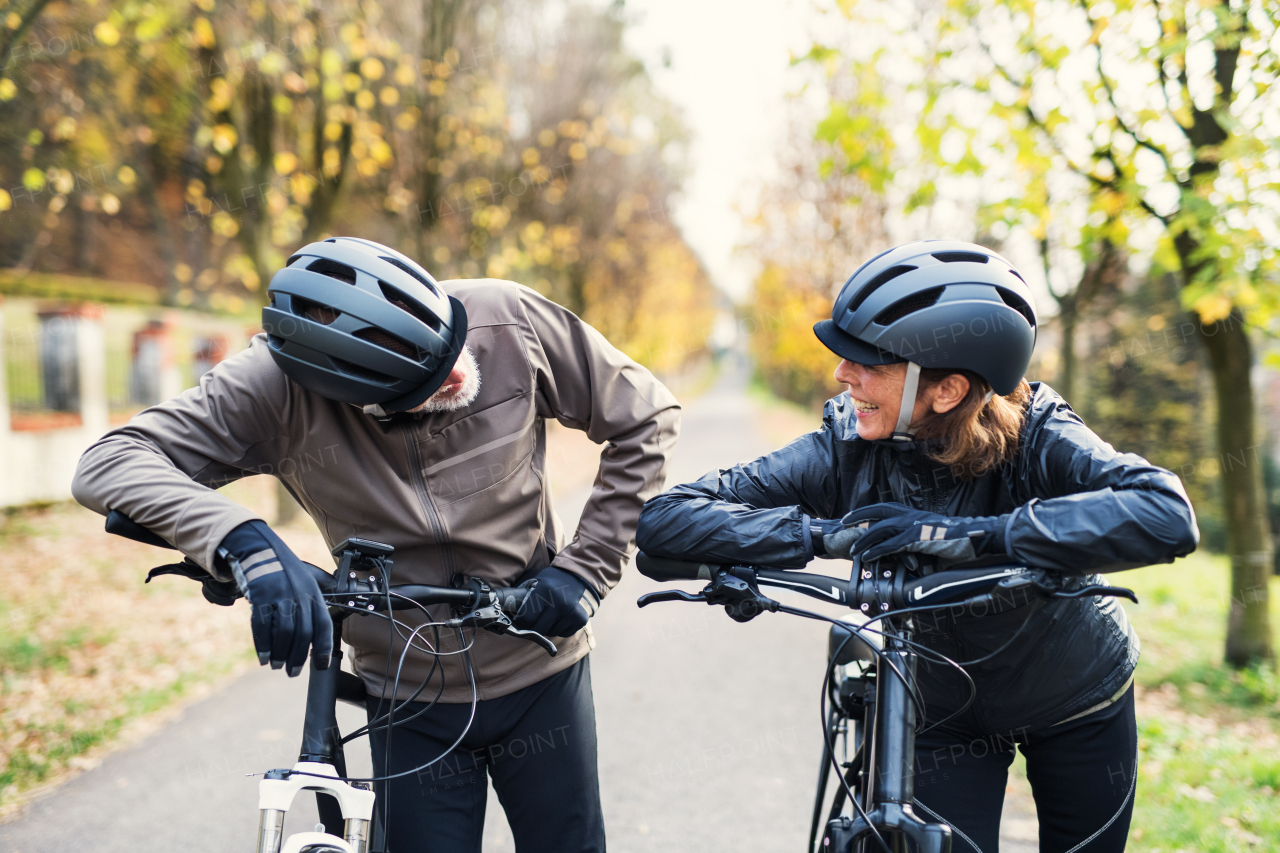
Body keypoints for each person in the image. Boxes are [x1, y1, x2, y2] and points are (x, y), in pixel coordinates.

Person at [73, 236, 681, 853]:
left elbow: (647, 416)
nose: (459, 376)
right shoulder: (276, 385)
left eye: (454, 351)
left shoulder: (507, 319)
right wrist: (245, 543)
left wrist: (583, 572)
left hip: (541, 667)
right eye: (432, 388)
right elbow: (110, 463)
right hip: (407, 696)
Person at [636, 240, 1197, 853]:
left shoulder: (1037, 433)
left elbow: (1164, 513)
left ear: (948, 390)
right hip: (940, 707)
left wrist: (978, 538)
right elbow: (668, 518)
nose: (841, 374)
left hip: (1072, 692)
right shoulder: (844, 445)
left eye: (869, 362)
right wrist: (824, 535)